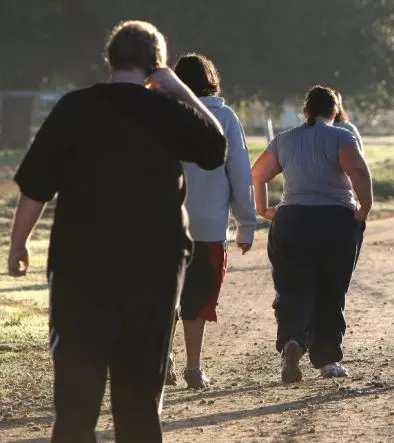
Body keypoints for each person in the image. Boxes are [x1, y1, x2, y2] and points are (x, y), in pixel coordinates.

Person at [7, 21, 227, 442]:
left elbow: (35, 188)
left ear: (110, 60)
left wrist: (18, 245)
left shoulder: (74, 108)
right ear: (156, 65)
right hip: (154, 269)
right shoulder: (168, 111)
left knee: (75, 404)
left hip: (79, 269)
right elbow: (215, 150)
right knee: (140, 400)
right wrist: (180, 88)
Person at [252, 86, 371, 383]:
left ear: (305, 112)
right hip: (334, 221)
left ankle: (292, 341)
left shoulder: (285, 140)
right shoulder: (342, 136)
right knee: (331, 289)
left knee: (293, 288)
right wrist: (364, 207)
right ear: (335, 112)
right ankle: (328, 359)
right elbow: (357, 170)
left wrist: (264, 208)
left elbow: (257, 174)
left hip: (292, 220)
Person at [164, 53, 256, 390]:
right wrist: (246, 223)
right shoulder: (225, 118)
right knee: (198, 297)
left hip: (165, 223)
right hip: (208, 224)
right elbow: (240, 172)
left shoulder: (164, 115)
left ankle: (164, 360)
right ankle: (193, 367)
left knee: (166, 295)